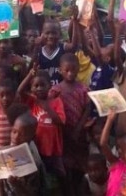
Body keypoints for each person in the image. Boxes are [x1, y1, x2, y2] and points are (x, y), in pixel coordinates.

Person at [18, 68, 67, 194]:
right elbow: (19, 91)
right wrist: (29, 75)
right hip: (38, 146)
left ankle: (66, 190)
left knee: (60, 172)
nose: (39, 88)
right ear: (32, 88)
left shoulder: (56, 101)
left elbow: (60, 121)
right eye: (36, 86)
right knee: (39, 171)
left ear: (50, 86)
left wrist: (45, 105)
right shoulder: (31, 101)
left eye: (42, 85)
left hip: (54, 147)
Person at [49, 53, 90, 195]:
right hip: (63, 134)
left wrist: (79, 127)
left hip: (79, 134)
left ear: (78, 69)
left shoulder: (83, 89)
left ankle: (80, 188)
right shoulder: (56, 90)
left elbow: (87, 108)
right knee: (65, 166)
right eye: (66, 70)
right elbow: (51, 108)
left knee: (80, 164)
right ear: (60, 70)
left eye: (73, 70)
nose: (70, 73)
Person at [0, 112, 46, 196]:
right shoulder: (6, 152)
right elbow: (0, 182)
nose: (16, 137)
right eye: (14, 131)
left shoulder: (34, 164)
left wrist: (17, 185)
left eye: (22, 134)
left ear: (32, 138)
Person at [34, 16, 79, 86]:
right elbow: (32, 68)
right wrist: (36, 47)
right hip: (45, 93)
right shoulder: (39, 51)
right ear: (42, 34)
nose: (51, 36)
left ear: (60, 34)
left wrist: (75, 21)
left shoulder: (63, 48)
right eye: (47, 33)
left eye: (54, 33)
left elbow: (74, 46)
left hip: (62, 92)